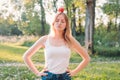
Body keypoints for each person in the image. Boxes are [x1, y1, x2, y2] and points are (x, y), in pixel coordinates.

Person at [23, 7, 90, 80]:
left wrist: (74, 72)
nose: (59, 23)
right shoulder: (45, 39)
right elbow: (26, 56)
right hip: (49, 76)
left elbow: (86, 58)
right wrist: (37, 72)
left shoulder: (70, 40)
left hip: (64, 77)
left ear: (66, 25)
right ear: (53, 23)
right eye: (57, 20)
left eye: (62, 21)